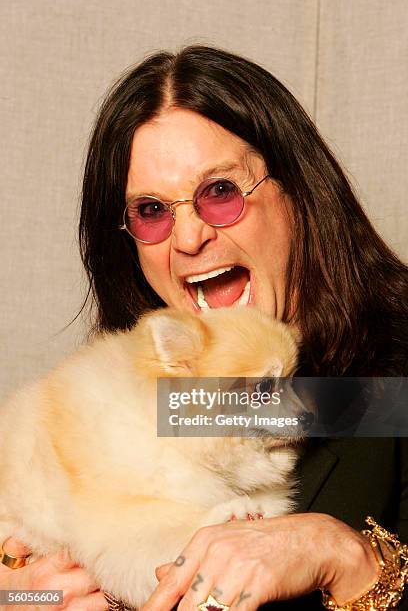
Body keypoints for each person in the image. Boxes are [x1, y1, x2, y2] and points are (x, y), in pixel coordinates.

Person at [1, 45, 407, 611]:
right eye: (152, 211)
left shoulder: (381, 394)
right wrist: (24, 597)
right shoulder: (124, 395)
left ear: (300, 193)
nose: (188, 238)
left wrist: (345, 557)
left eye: (220, 192)